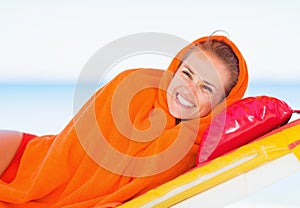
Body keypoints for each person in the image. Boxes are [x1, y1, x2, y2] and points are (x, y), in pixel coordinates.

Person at [0, 35, 248, 207]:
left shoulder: (196, 145)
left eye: (205, 88)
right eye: (186, 73)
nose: (188, 89)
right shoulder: (133, 85)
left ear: (222, 103)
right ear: (174, 68)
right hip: (33, 163)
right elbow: (68, 146)